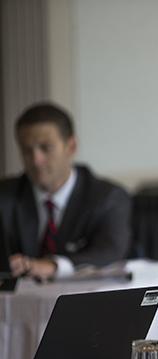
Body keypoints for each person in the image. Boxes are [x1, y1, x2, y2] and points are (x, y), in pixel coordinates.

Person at [0, 102, 131, 280]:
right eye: (26, 151)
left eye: (46, 148)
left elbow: (109, 253)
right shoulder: (5, 196)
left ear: (71, 147)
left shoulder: (107, 197)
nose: (36, 160)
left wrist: (53, 266)